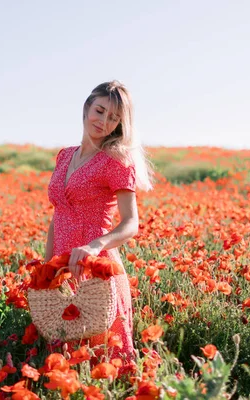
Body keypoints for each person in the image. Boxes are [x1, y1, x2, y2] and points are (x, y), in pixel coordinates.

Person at [44, 80, 154, 369]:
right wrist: (47, 268)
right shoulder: (65, 156)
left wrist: (94, 246)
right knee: (64, 367)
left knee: (103, 366)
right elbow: (59, 214)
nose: (103, 122)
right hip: (62, 272)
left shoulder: (116, 160)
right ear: (86, 107)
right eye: (100, 110)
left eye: (114, 118)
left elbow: (131, 223)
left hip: (97, 271)